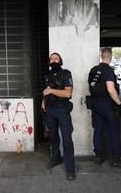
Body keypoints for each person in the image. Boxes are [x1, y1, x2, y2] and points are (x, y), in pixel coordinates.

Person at [88, 47, 121, 168]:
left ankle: (98, 157)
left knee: (98, 130)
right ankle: (115, 159)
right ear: (110, 57)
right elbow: (111, 90)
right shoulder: (109, 71)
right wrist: (120, 104)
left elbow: (92, 86)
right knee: (113, 132)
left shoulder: (93, 70)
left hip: (95, 104)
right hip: (108, 105)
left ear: (101, 56)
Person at [41, 52, 76, 181]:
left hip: (62, 111)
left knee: (67, 140)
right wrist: (43, 105)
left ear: (61, 61)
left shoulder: (66, 74)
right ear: (49, 62)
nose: (54, 60)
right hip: (50, 110)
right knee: (53, 138)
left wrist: (51, 90)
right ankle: (56, 159)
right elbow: (45, 91)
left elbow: (68, 93)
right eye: (52, 58)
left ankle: (70, 169)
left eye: (56, 58)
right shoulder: (47, 75)